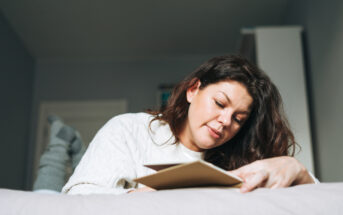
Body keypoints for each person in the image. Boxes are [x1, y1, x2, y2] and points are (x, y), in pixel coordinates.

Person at [62, 55, 318, 195]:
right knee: (49, 176)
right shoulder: (129, 130)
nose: (226, 121)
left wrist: (297, 170)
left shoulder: (239, 158)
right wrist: (141, 198)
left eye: (239, 118)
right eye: (219, 104)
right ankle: (62, 141)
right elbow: (80, 200)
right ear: (193, 90)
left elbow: (319, 202)